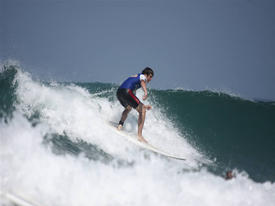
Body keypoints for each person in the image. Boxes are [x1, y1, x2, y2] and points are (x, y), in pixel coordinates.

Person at [116, 67, 154, 143]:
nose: (150, 79)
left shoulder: (135, 78)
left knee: (129, 108)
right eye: (150, 76)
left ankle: (120, 125)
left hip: (119, 92)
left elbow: (133, 101)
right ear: (146, 74)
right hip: (127, 91)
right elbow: (143, 81)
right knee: (142, 111)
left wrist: (144, 106)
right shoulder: (142, 76)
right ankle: (140, 136)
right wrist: (145, 92)